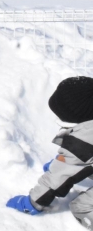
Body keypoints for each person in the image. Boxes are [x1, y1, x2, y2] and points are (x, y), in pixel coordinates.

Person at [6, 76, 93, 229]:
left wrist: (32, 203)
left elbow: (57, 180)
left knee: (82, 206)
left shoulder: (83, 141)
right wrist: (65, 162)